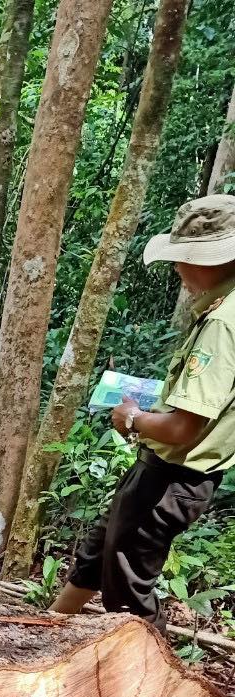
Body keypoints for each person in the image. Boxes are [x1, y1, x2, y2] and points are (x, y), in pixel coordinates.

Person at [53, 194, 235, 632]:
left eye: (185, 258)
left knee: (128, 592)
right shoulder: (221, 312)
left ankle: (150, 680)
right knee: (99, 553)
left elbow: (182, 428)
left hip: (174, 477)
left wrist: (131, 418)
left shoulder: (222, 324)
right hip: (162, 471)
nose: (178, 268)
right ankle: (48, 627)